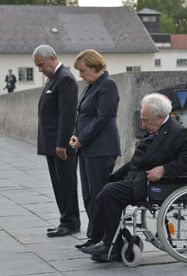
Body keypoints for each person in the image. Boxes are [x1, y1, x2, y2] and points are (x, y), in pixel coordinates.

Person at [79, 93, 187, 262]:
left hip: (151, 183)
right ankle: (106, 241)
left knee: (110, 192)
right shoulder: (156, 129)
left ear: (159, 117)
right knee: (104, 189)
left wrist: (164, 169)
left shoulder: (177, 132)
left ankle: (106, 244)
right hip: (136, 177)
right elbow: (138, 160)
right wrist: (114, 176)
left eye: (146, 120)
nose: (142, 125)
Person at [69, 49, 121, 249]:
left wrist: (81, 139)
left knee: (100, 195)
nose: (81, 75)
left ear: (94, 66)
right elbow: (82, 114)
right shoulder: (90, 86)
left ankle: (107, 239)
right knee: (89, 195)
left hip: (101, 148)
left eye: (83, 71)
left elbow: (102, 118)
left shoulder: (107, 85)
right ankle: (95, 236)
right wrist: (76, 134)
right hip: (87, 148)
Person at [33, 44, 81, 237]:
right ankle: (65, 219)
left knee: (66, 183)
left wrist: (62, 144)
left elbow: (67, 115)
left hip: (61, 145)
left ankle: (70, 222)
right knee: (58, 184)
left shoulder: (65, 79)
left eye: (41, 65)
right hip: (51, 143)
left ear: (52, 59)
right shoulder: (54, 79)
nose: (40, 70)